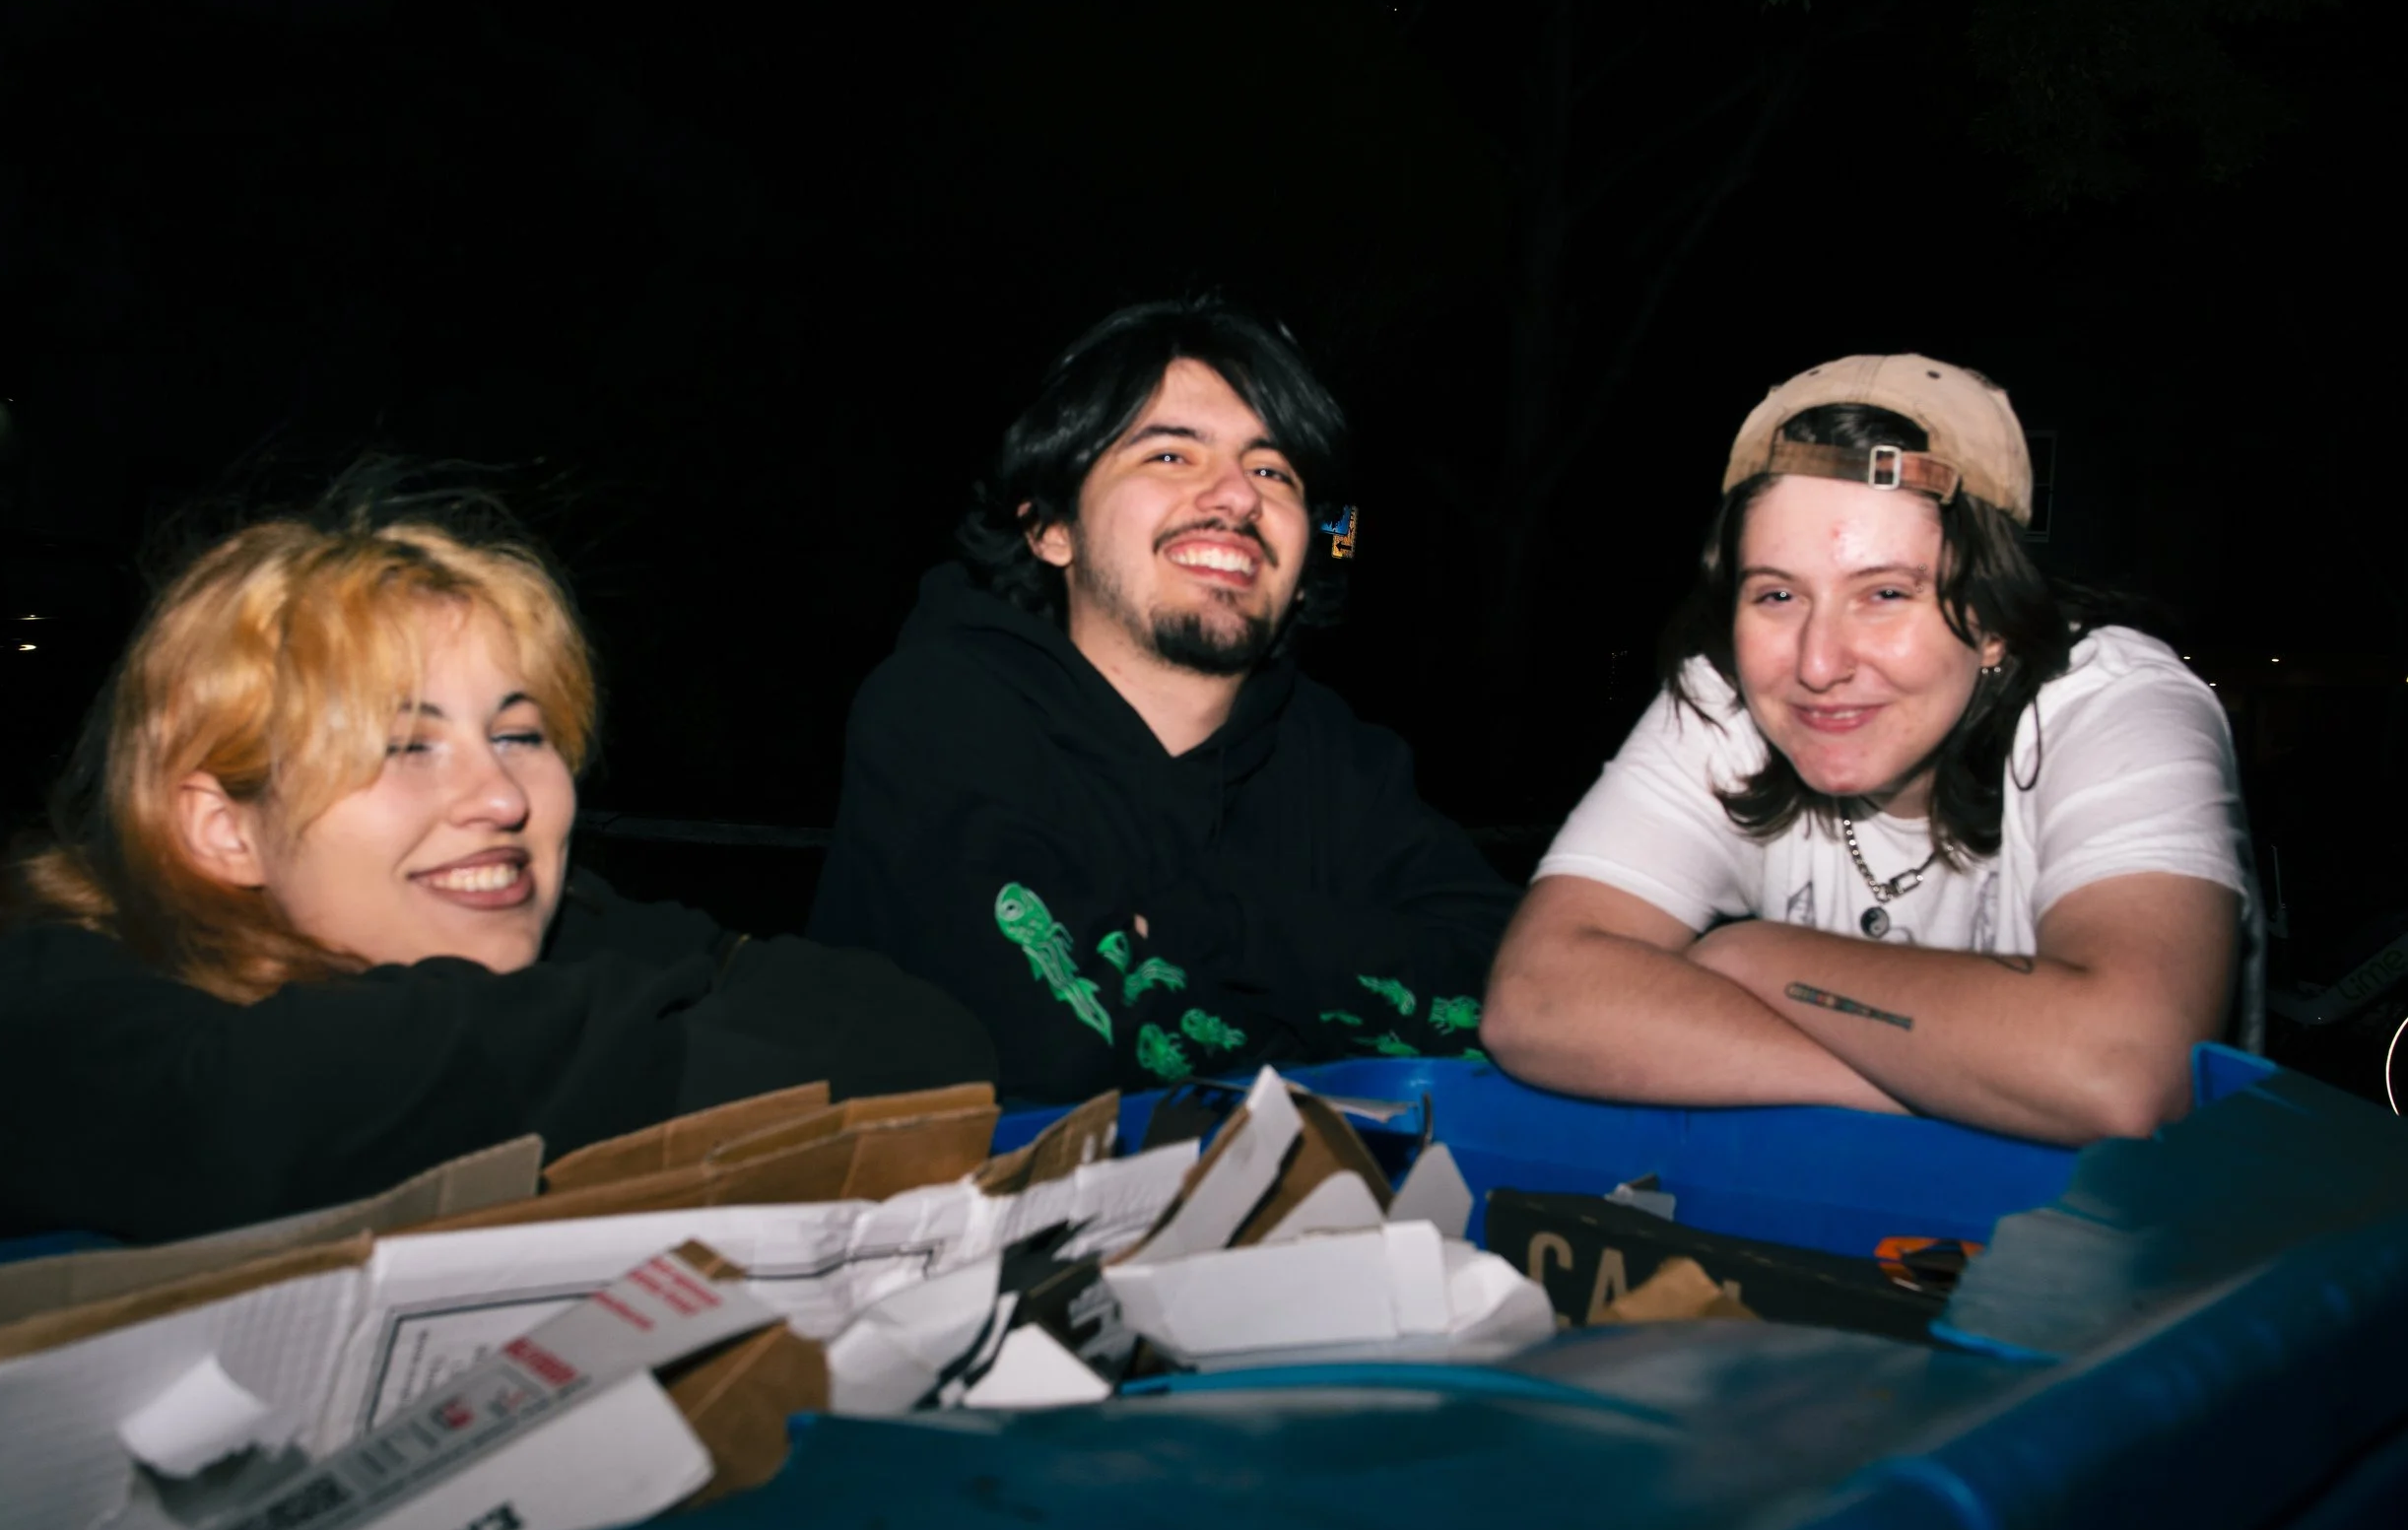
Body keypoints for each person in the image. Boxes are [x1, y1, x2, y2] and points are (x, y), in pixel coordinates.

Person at [0, 482, 995, 1245]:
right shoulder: (25, 1002)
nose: (498, 795)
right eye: (406, 745)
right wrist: (673, 1038)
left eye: (521, 732)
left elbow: (922, 1040)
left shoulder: (583, 927)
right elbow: (263, 1117)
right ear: (224, 828)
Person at [1482, 355, 2260, 1147]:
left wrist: (1753, 954)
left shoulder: (2121, 702)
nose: (1818, 664)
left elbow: (2121, 1072)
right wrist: (1965, 1085)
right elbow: (1536, 996)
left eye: (1886, 593)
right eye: (1777, 595)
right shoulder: (1726, 696)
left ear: (1991, 622)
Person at [808, 297, 1518, 1102]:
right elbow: (1053, 1060)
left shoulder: (1346, 763)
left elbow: (1524, 999)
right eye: (1172, 457)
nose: (1238, 497)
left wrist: (1207, 926)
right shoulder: (941, 716)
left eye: (1272, 470)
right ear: (1049, 527)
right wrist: (1337, 980)